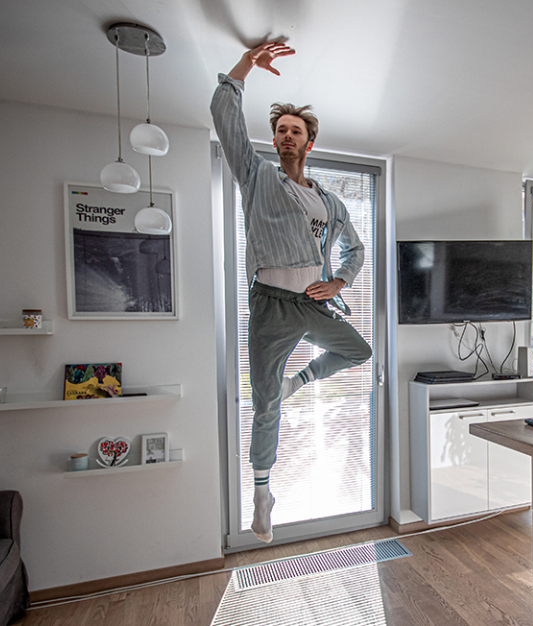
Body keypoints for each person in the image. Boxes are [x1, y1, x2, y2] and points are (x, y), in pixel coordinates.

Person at [211, 41, 372, 543]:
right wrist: (246, 66)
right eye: (280, 130)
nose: (285, 135)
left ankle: (297, 381)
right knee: (264, 404)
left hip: (312, 302)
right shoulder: (257, 177)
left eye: (294, 131)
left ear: (308, 143)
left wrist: (339, 281)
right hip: (270, 306)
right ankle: (263, 493)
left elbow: (355, 249)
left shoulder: (329, 202)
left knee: (359, 351)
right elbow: (225, 117)